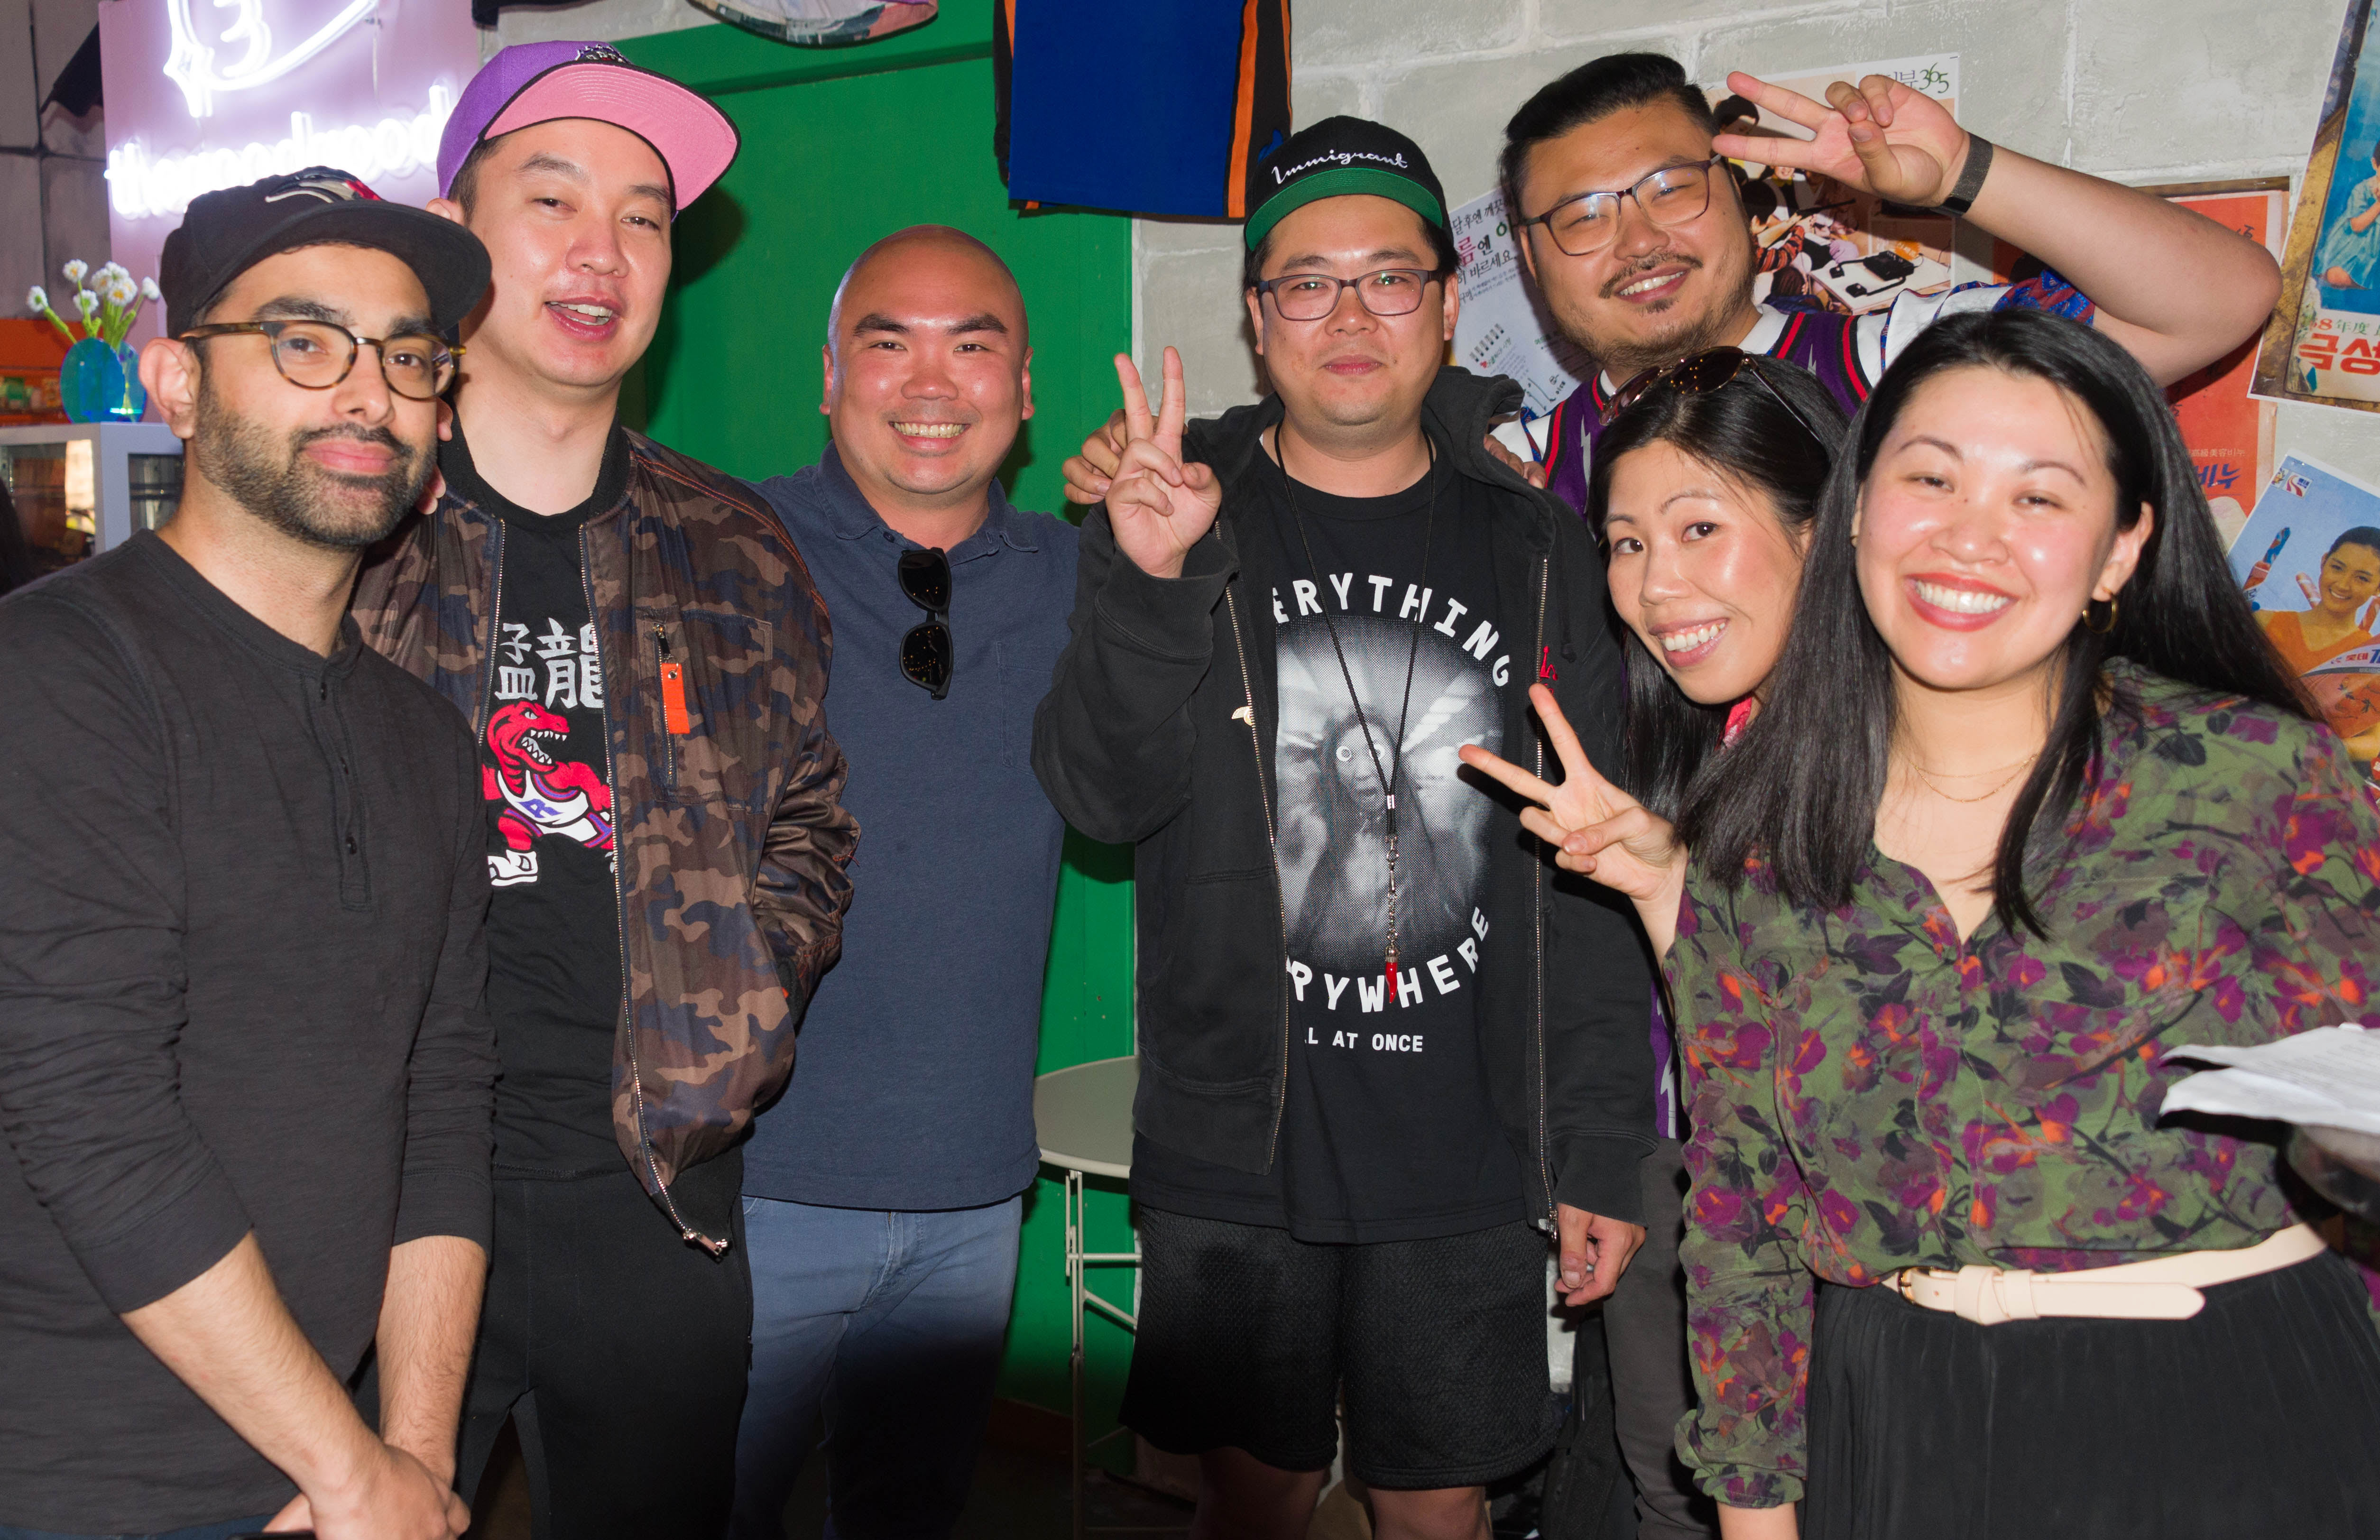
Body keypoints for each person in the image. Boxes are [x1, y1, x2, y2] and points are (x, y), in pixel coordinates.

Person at [1462, 307, 2380, 1540]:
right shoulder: (1755, 835)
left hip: (2220, 1405)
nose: (1967, 537)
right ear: (1855, 516)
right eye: (1930, 480)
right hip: (1890, 1414)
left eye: (2037, 498)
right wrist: (1755, 1516)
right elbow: (1739, 1214)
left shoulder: (2258, 781)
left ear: (2119, 550)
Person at [1033, 117, 1655, 1540]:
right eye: (1306, 283)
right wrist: (1144, 578)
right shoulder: (1171, 512)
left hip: (1468, 1138)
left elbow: (1596, 876)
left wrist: (1598, 1143)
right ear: (1257, 320)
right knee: (1245, 1495)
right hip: (1236, 1137)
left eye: (1389, 276)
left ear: (1446, 299)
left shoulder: (1540, 545)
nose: (1351, 315)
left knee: (1434, 1504)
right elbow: (1100, 797)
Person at [349, 42, 859, 1540]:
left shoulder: (736, 543)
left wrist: (744, 997)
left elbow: (811, 821)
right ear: (452, 232)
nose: (602, 250)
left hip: (657, 1196)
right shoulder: (348, 518)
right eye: (552, 196)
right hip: (372, 1194)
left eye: (644, 216)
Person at [0, 169, 496, 1539]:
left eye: (407, 356)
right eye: (301, 338)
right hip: (74, 1480)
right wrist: (351, 1473)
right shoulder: (57, 674)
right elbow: (94, 1121)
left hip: (327, 1469)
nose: (366, 392)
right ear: (174, 379)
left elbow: (443, 1105)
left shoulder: (425, 740)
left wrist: (411, 1459)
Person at [728, 226, 1079, 1539]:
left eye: (972, 343)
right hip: (748, 1184)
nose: (931, 381)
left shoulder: (1073, 574)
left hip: (974, 1190)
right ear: (829, 375)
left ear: (1026, 387)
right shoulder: (722, 555)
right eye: (889, 340)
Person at [1492, 53, 2283, 509]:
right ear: (1529, 259)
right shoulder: (1513, 472)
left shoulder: (1896, 365)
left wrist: (1965, 172)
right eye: (1583, 215)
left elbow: (2216, 302)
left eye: (1671, 187)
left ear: (1735, 191)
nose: (1640, 239)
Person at [2320, 142, 2380, 292]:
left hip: (2375, 251)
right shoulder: (2363, 189)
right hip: (2355, 246)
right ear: (2375, 164)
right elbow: (2357, 226)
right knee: (2336, 276)